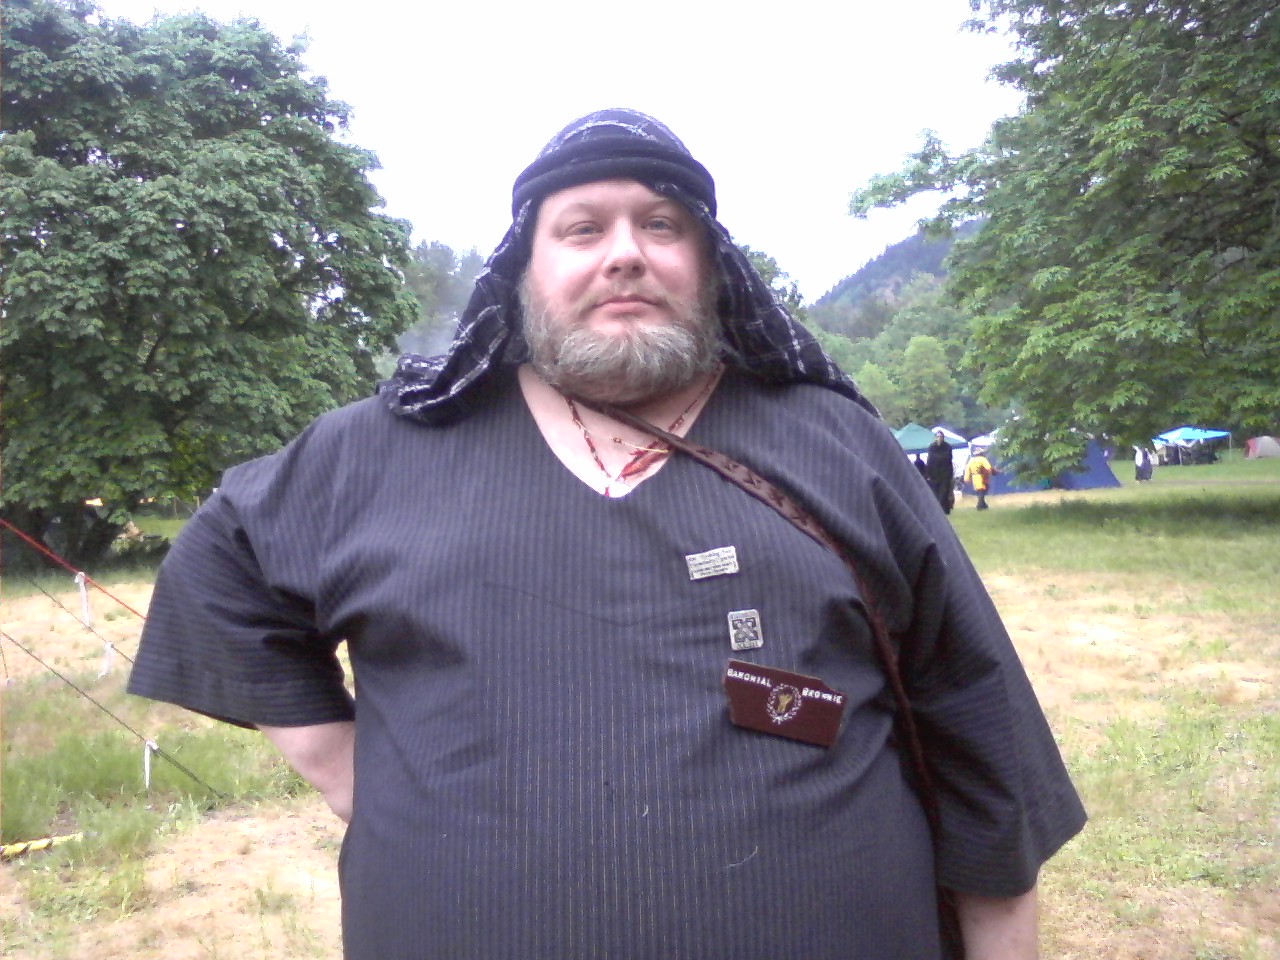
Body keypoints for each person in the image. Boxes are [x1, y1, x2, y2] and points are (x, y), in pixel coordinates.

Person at [128, 109, 1085, 960]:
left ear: (709, 262)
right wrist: (343, 766)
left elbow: (981, 742)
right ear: (524, 268)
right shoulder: (384, 448)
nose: (624, 252)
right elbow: (221, 562)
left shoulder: (836, 442)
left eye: (661, 224)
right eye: (581, 228)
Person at [925, 428, 956, 514]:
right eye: (938, 436)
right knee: (936, 492)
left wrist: (938, 458)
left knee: (944, 492)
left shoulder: (947, 447)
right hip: (934, 474)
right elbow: (930, 460)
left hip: (945, 474)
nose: (939, 438)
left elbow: (948, 458)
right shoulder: (932, 447)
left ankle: (944, 509)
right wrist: (928, 473)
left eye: (941, 436)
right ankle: (938, 509)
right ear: (935, 437)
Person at [964, 445, 998, 510]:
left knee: (979, 492)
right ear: (981, 453)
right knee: (982, 492)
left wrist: (967, 478)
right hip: (982, 477)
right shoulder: (983, 459)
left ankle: (984, 505)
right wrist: (994, 472)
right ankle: (979, 506)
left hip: (974, 477)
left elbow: (967, 470)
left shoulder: (971, 460)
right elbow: (988, 468)